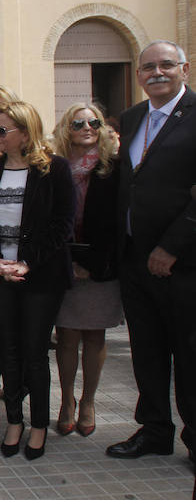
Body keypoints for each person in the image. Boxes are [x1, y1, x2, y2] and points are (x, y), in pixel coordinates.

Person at [0, 101, 74, 461]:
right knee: (8, 351)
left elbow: (62, 225)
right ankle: (14, 420)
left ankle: (39, 425)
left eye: (1, 131)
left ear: (25, 134)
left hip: (40, 278)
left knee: (34, 353)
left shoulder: (53, 170)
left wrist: (27, 263)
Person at [107, 40, 196, 467]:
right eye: (148, 67)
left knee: (190, 354)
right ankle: (156, 430)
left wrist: (171, 247)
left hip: (182, 264)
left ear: (184, 69)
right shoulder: (133, 117)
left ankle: (194, 438)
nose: (157, 73)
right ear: (139, 74)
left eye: (166, 65)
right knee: (147, 351)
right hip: (135, 260)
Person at [51, 102, 122, 437]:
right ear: (67, 128)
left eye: (94, 122)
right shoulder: (53, 167)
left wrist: (93, 265)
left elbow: (119, 222)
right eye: (78, 123)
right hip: (63, 264)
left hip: (100, 265)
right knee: (66, 336)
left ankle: (89, 400)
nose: (87, 127)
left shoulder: (114, 166)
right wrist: (68, 262)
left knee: (94, 335)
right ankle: (66, 401)